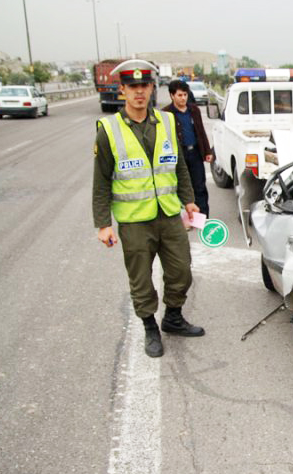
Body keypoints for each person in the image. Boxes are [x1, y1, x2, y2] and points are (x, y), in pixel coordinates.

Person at [93, 59, 205, 358]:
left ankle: (173, 317)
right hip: (134, 221)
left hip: (169, 215)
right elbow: (101, 180)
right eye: (133, 87)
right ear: (123, 90)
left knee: (181, 271)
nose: (139, 92)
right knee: (141, 279)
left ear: (152, 88)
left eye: (144, 86)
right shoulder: (109, 130)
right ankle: (150, 327)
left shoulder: (166, 122)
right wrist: (103, 223)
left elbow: (179, 165)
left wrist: (189, 198)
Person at [163, 80, 213, 217]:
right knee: (182, 187)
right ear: (172, 95)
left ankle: (203, 217)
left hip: (195, 153)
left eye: (185, 94)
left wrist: (207, 151)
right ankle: (186, 218)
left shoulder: (194, 110)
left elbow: (201, 131)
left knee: (200, 186)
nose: (183, 98)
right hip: (179, 155)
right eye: (179, 95)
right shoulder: (165, 113)